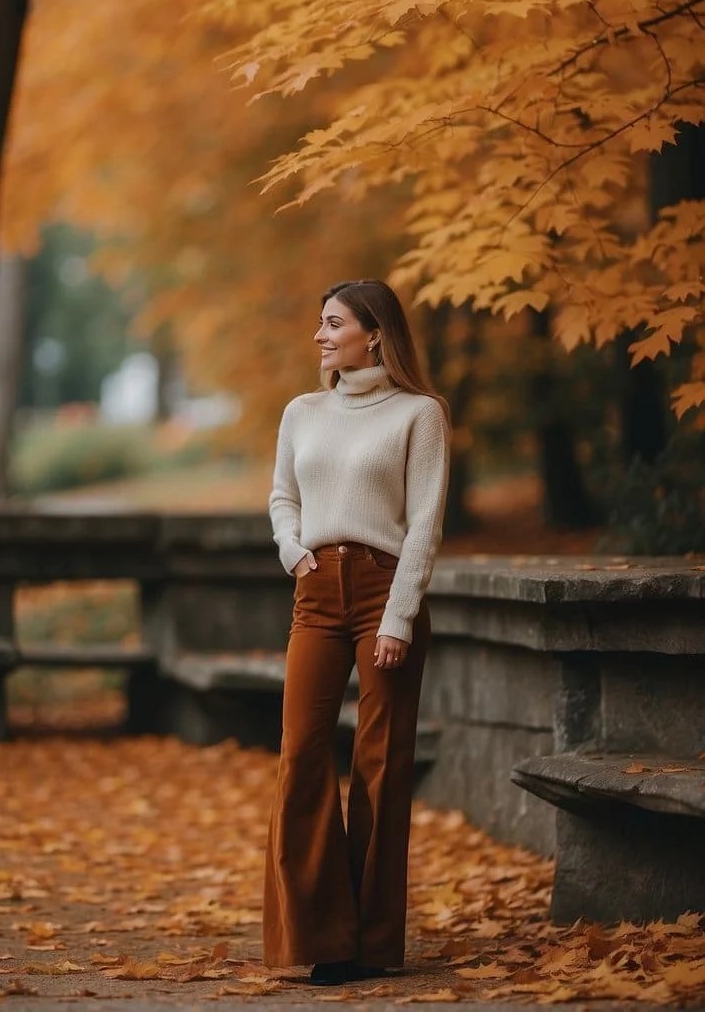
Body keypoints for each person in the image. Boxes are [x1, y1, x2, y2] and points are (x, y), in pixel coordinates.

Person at [263, 278, 451, 987]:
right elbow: (283, 494)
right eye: (319, 323)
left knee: (379, 764)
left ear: (374, 333)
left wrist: (400, 616)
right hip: (316, 592)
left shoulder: (420, 414)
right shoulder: (302, 411)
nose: (319, 335)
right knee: (302, 753)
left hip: (384, 588)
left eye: (333, 322)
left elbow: (426, 524)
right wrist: (292, 549)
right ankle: (321, 936)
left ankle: (370, 944)